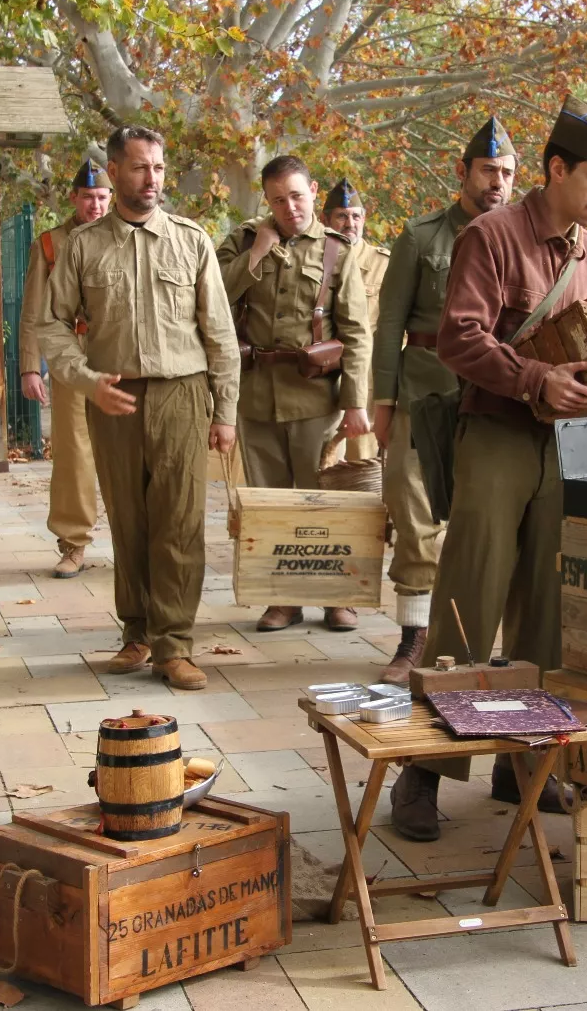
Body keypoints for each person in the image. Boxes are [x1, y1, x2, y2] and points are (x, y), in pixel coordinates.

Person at [388, 97, 587, 841]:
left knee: (552, 606)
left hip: (573, 441)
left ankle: (524, 759)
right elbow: (459, 338)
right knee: (468, 600)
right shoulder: (492, 236)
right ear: (555, 170)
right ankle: (424, 770)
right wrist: (534, 379)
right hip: (502, 432)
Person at [39, 125, 241, 691]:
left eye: (157, 167)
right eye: (138, 167)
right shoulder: (82, 246)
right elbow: (50, 324)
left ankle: (174, 644)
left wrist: (224, 409)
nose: (150, 178)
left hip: (182, 393)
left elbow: (219, 332)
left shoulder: (191, 240)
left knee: (179, 522)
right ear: (113, 171)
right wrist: (85, 380)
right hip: (115, 395)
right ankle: (137, 633)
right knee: (128, 519)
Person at [370, 116, 518, 684]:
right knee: (414, 518)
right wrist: (383, 403)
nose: (497, 183)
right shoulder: (422, 236)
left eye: (506, 172)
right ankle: (414, 638)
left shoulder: (518, 236)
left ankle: (475, 636)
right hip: (423, 393)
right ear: (463, 172)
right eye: (487, 171)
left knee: (482, 521)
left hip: (492, 399)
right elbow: (388, 325)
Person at [217, 156, 374, 633]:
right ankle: (281, 600)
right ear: (267, 201)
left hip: (314, 397)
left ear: (313, 191)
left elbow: (356, 332)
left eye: (298, 195)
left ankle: (336, 598)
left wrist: (355, 403)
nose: (290, 207)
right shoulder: (243, 242)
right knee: (269, 502)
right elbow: (213, 295)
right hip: (256, 393)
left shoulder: (337, 251)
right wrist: (256, 257)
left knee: (322, 500)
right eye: (279, 199)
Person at [18, 159, 110, 578]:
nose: (96, 204)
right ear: (74, 198)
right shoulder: (51, 244)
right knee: (73, 452)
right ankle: (73, 542)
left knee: (129, 449)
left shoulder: (126, 236)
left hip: (121, 353)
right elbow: (35, 310)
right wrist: (29, 368)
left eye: (102, 196)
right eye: (88, 196)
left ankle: (135, 540)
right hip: (70, 353)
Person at [321, 179, 390, 461]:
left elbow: (397, 327)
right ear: (325, 219)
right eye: (342, 216)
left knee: (361, 467)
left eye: (356, 216)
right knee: (319, 466)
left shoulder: (383, 264)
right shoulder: (313, 256)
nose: (350, 223)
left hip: (366, 383)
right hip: (321, 378)